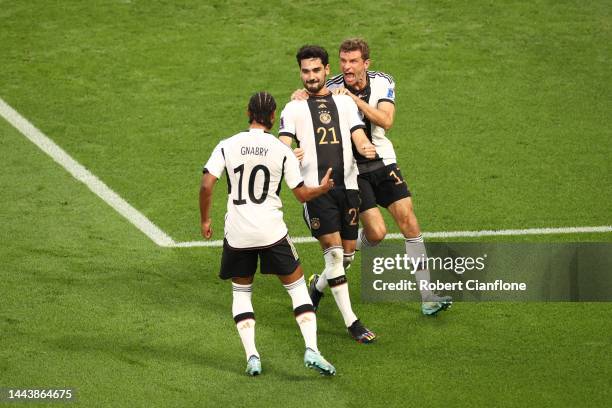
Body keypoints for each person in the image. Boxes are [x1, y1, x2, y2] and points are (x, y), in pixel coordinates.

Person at [310, 38, 452, 316]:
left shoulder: (382, 81)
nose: (347, 67)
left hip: (382, 160)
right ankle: (319, 284)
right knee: (376, 234)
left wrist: (350, 99)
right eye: (343, 61)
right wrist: (301, 95)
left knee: (408, 220)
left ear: (366, 63)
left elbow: (386, 121)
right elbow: (308, 96)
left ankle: (427, 296)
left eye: (353, 61)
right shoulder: (330, 87)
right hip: (351, 170)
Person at [199, 91, 336, 376]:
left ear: (248, 112)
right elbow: (301, 195)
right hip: (272, 233)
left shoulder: (227, 145)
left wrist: (205, 220)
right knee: (298, 289)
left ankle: (252, 357)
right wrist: (321, 189)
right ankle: (312, 348)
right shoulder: (281, 150)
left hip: (238, 234)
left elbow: (207, 185)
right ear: (273, 117)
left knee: (242, 292)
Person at [278, 45, 377, 343]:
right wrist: (287, 151)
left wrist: (365, 147)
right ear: (300, 73)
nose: (311, 76)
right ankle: (353, 322)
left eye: (316, 70)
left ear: (326, 69)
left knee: (345, 257)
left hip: (348, 189)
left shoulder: (344, 104)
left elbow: (358, 135)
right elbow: (282, 141)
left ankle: (317, 288)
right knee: (334, 254)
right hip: (315, 192)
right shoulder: (293, 108)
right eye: (305, 71)